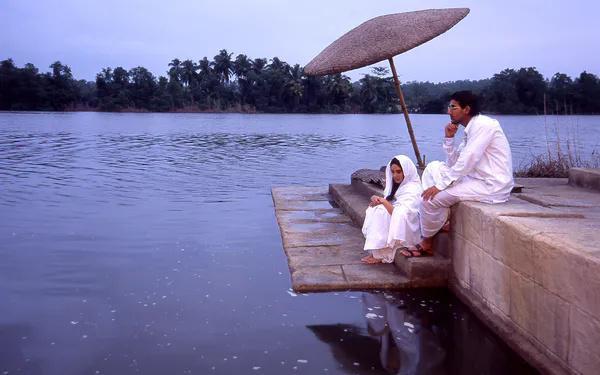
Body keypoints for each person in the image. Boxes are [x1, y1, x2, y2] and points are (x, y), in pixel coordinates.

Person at [403, 91, 513, 257]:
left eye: (453, 107)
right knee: (433, 167)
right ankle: (441, 220)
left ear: (466, 109)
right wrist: (449, 139)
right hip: (473, 178)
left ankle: (427, 243)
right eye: (449, 107)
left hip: (490, 184)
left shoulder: (484, 126)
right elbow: (454, 163)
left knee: (428, 201)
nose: (449, 111)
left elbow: (468, 159)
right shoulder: (471, 129)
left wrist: (440, 186)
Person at [361, 155, 422, 264]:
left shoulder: (413, 189)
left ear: (406, 172)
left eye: (399, 172)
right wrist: (376, 200)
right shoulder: (398, 186)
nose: (395, 175)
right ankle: (377, 252)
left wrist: (383, 202)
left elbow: (400, 214)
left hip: (409, 226)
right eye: (393, 172)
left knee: (380, 212)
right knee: (374, 209)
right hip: (398, 218)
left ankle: (380, 254)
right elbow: (390, 204)